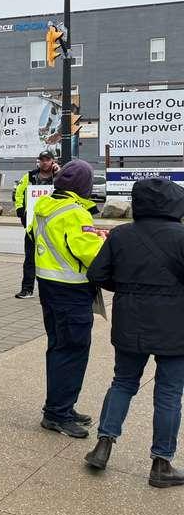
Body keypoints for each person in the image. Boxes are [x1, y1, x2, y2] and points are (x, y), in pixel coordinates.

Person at [85, 178, 184, 487]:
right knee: (169, 394)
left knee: (123, 383)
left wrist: (127, 288)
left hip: (130, 321)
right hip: (175, 325)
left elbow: (97, 274)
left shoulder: (121, 235)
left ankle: (103, 445)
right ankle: (161, 463)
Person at [28, 158, 104, 439]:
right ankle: (58, 413)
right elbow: (90, 254)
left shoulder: (45, 207)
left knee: (59, 348)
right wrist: (103, 243)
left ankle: (61, 406)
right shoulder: (76, 213)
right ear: (83, 186)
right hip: (71, 291)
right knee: (72, 351)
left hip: (49, 287)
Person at [13, 150, 59, 299]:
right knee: (30, 258)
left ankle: (53, 289)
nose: (44, 162)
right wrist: (20, 210)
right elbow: (19, 193)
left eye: (47, 159)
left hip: (53, 223)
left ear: (53, 160)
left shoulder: (58, 176)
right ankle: (27, 289)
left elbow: (67, 188)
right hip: (33, 224)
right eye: (42, 160)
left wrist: (60, 173)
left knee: (54, 257)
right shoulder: (30, 176)